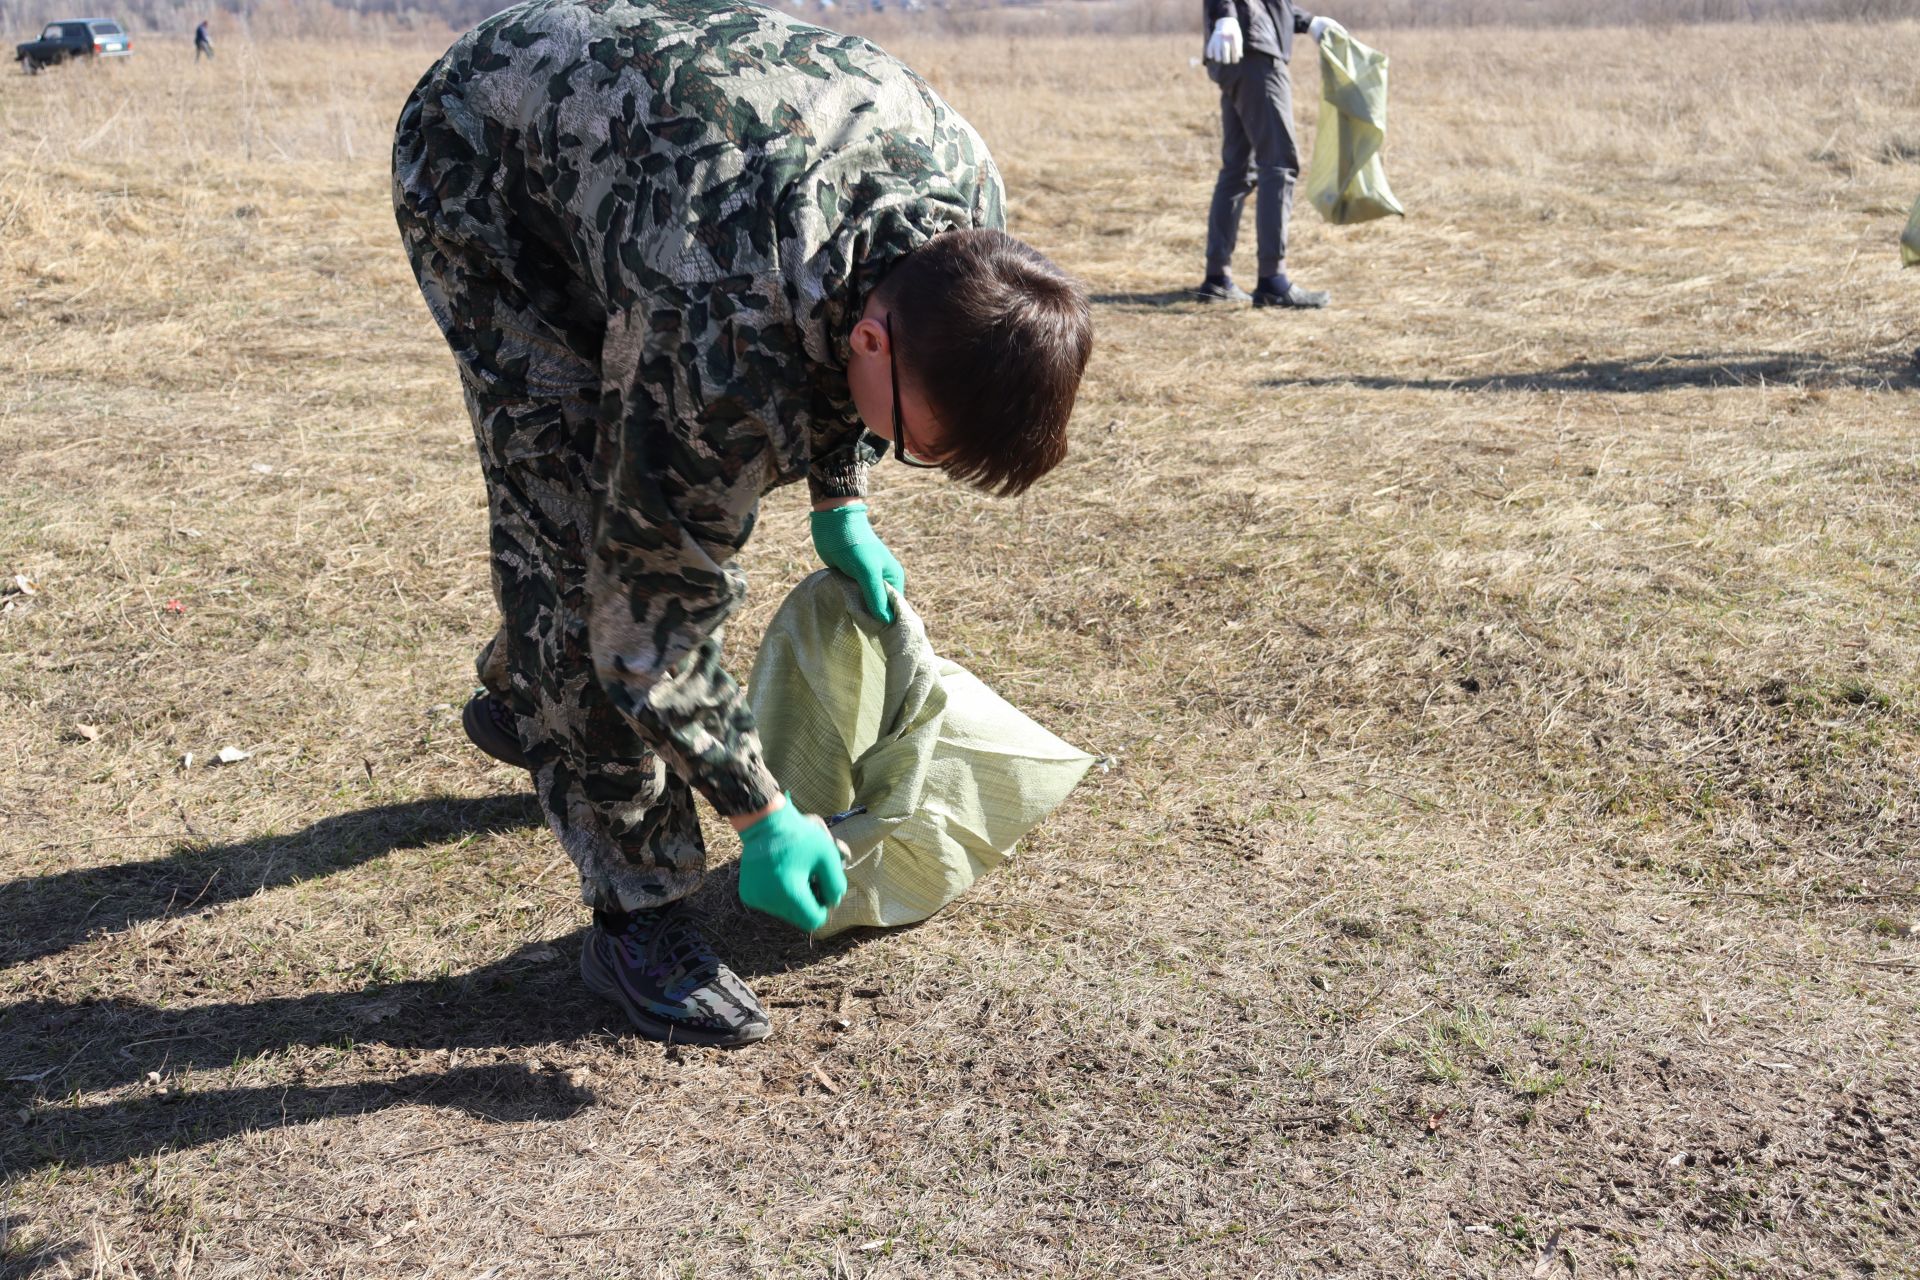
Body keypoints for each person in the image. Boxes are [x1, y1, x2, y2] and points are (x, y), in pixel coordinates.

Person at [393, 0, 1093, 1047]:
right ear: (871, 338)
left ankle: (521, 688)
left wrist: (839, 497)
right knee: (572, 528)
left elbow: (831, 345)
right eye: (914, 442)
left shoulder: (966, 217)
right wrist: (759, 813)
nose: (908, 458)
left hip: (664, 168)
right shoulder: (719, 324)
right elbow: (649, 616)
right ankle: (636, 913)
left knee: (626, 540)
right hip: (486, 162)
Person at [1196, 0, 1339, 308]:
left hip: (1237, 50)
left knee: (1238, 169)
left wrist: (1308, 21)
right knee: (1278, 163)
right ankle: (1273, 281)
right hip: (1254, 51)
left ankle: (1217, 278)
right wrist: (1225, 15)